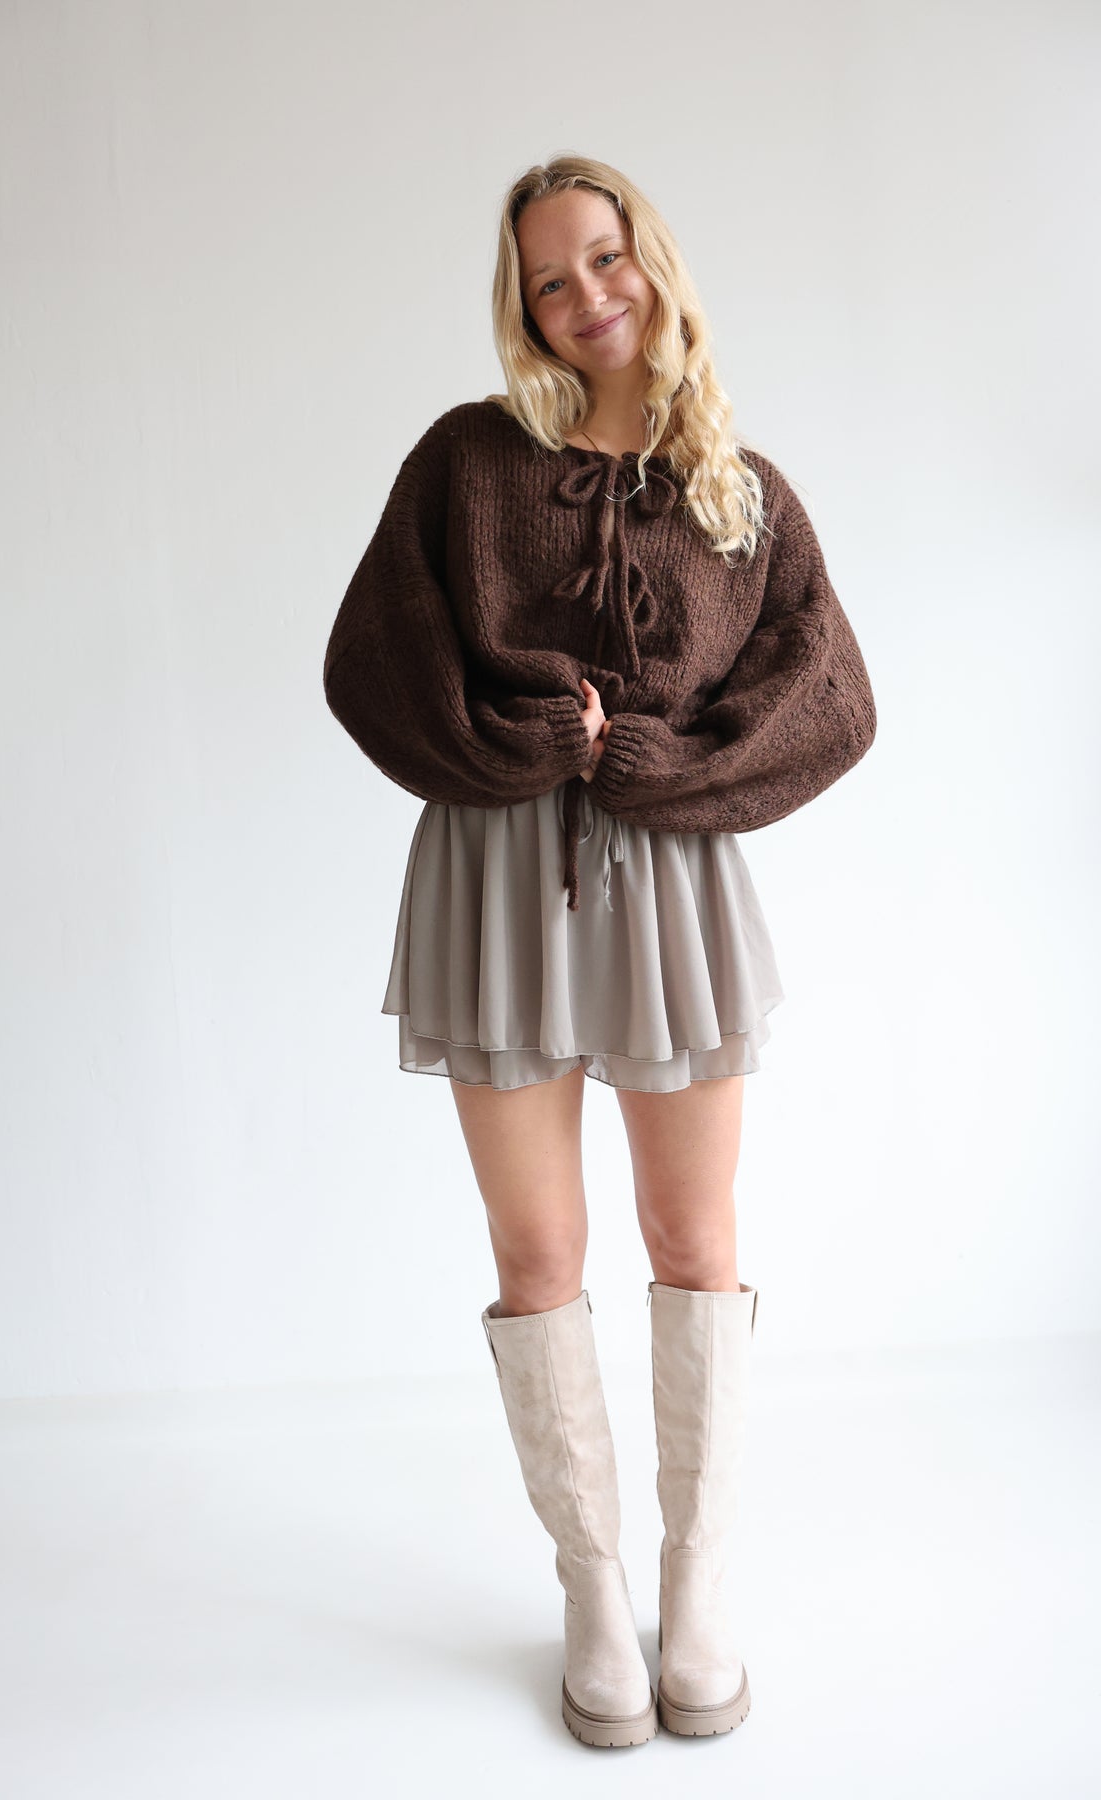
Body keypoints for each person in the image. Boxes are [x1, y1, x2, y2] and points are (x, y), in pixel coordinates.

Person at [323, 154, 876, 1749]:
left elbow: (829, 699)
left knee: (693, 1238)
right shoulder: (467, 460)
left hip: (673, 879)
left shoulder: (741, 490)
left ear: (654, 262)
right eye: (550, 279)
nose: (587, 297)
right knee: (537, 1257)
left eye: (605, 258)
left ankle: (698, 1581)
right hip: (497, 872)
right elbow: (371, 661)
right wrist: (513, 741)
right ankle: (590, 1580)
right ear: (524, 306)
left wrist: (657, 760)